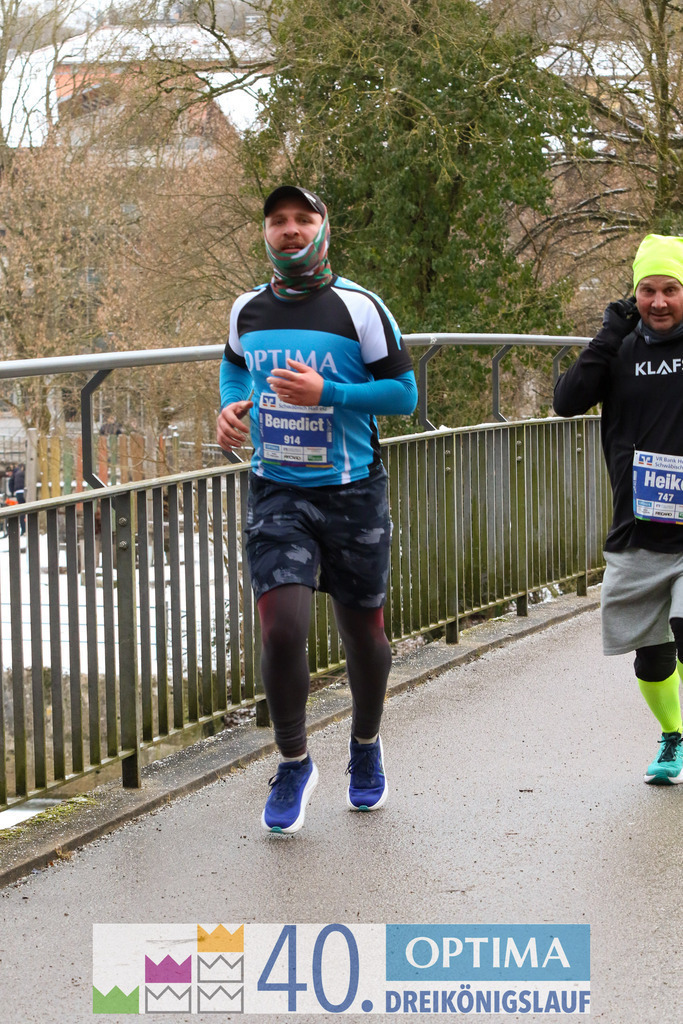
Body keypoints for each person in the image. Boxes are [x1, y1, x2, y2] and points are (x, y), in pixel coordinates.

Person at [216, 185, 417, 833]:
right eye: (277, 221)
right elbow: (233, 369)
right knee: (281, 627)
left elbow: (403, 395)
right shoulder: (245, 308)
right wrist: (229, 411)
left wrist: (325, 392)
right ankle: (294, 760)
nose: (289, 230)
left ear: (323, 228)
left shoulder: (359, 307)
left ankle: (364, 747)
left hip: (353, 489)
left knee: (364, 634)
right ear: (265, 234)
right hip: (277, 489)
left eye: (303, 219)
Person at [554, 233, 683, 785]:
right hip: (638, 528)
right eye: (647, 290)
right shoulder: (620, 345)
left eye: (671, 289)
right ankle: (674, 736)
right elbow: (566, 402)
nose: (658, 302)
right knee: (651, 657)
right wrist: (607, 334)